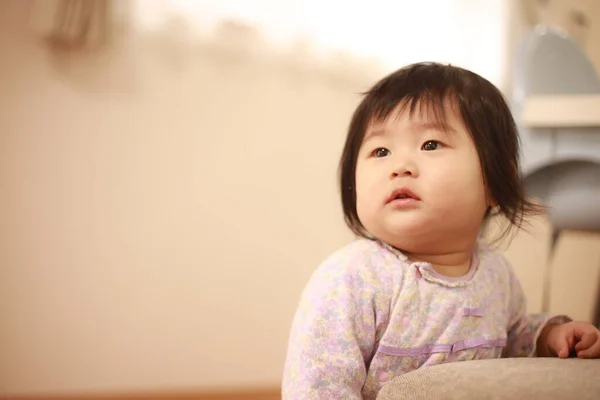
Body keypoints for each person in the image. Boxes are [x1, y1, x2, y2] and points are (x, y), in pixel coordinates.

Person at [282, 62, 600, 400]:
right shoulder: (353, 277)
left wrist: (548, 336)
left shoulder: (495, 273)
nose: (399, 166)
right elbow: (317, 384)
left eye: (431, 144)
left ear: (494, 180)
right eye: (380, 151)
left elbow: (511, 334)